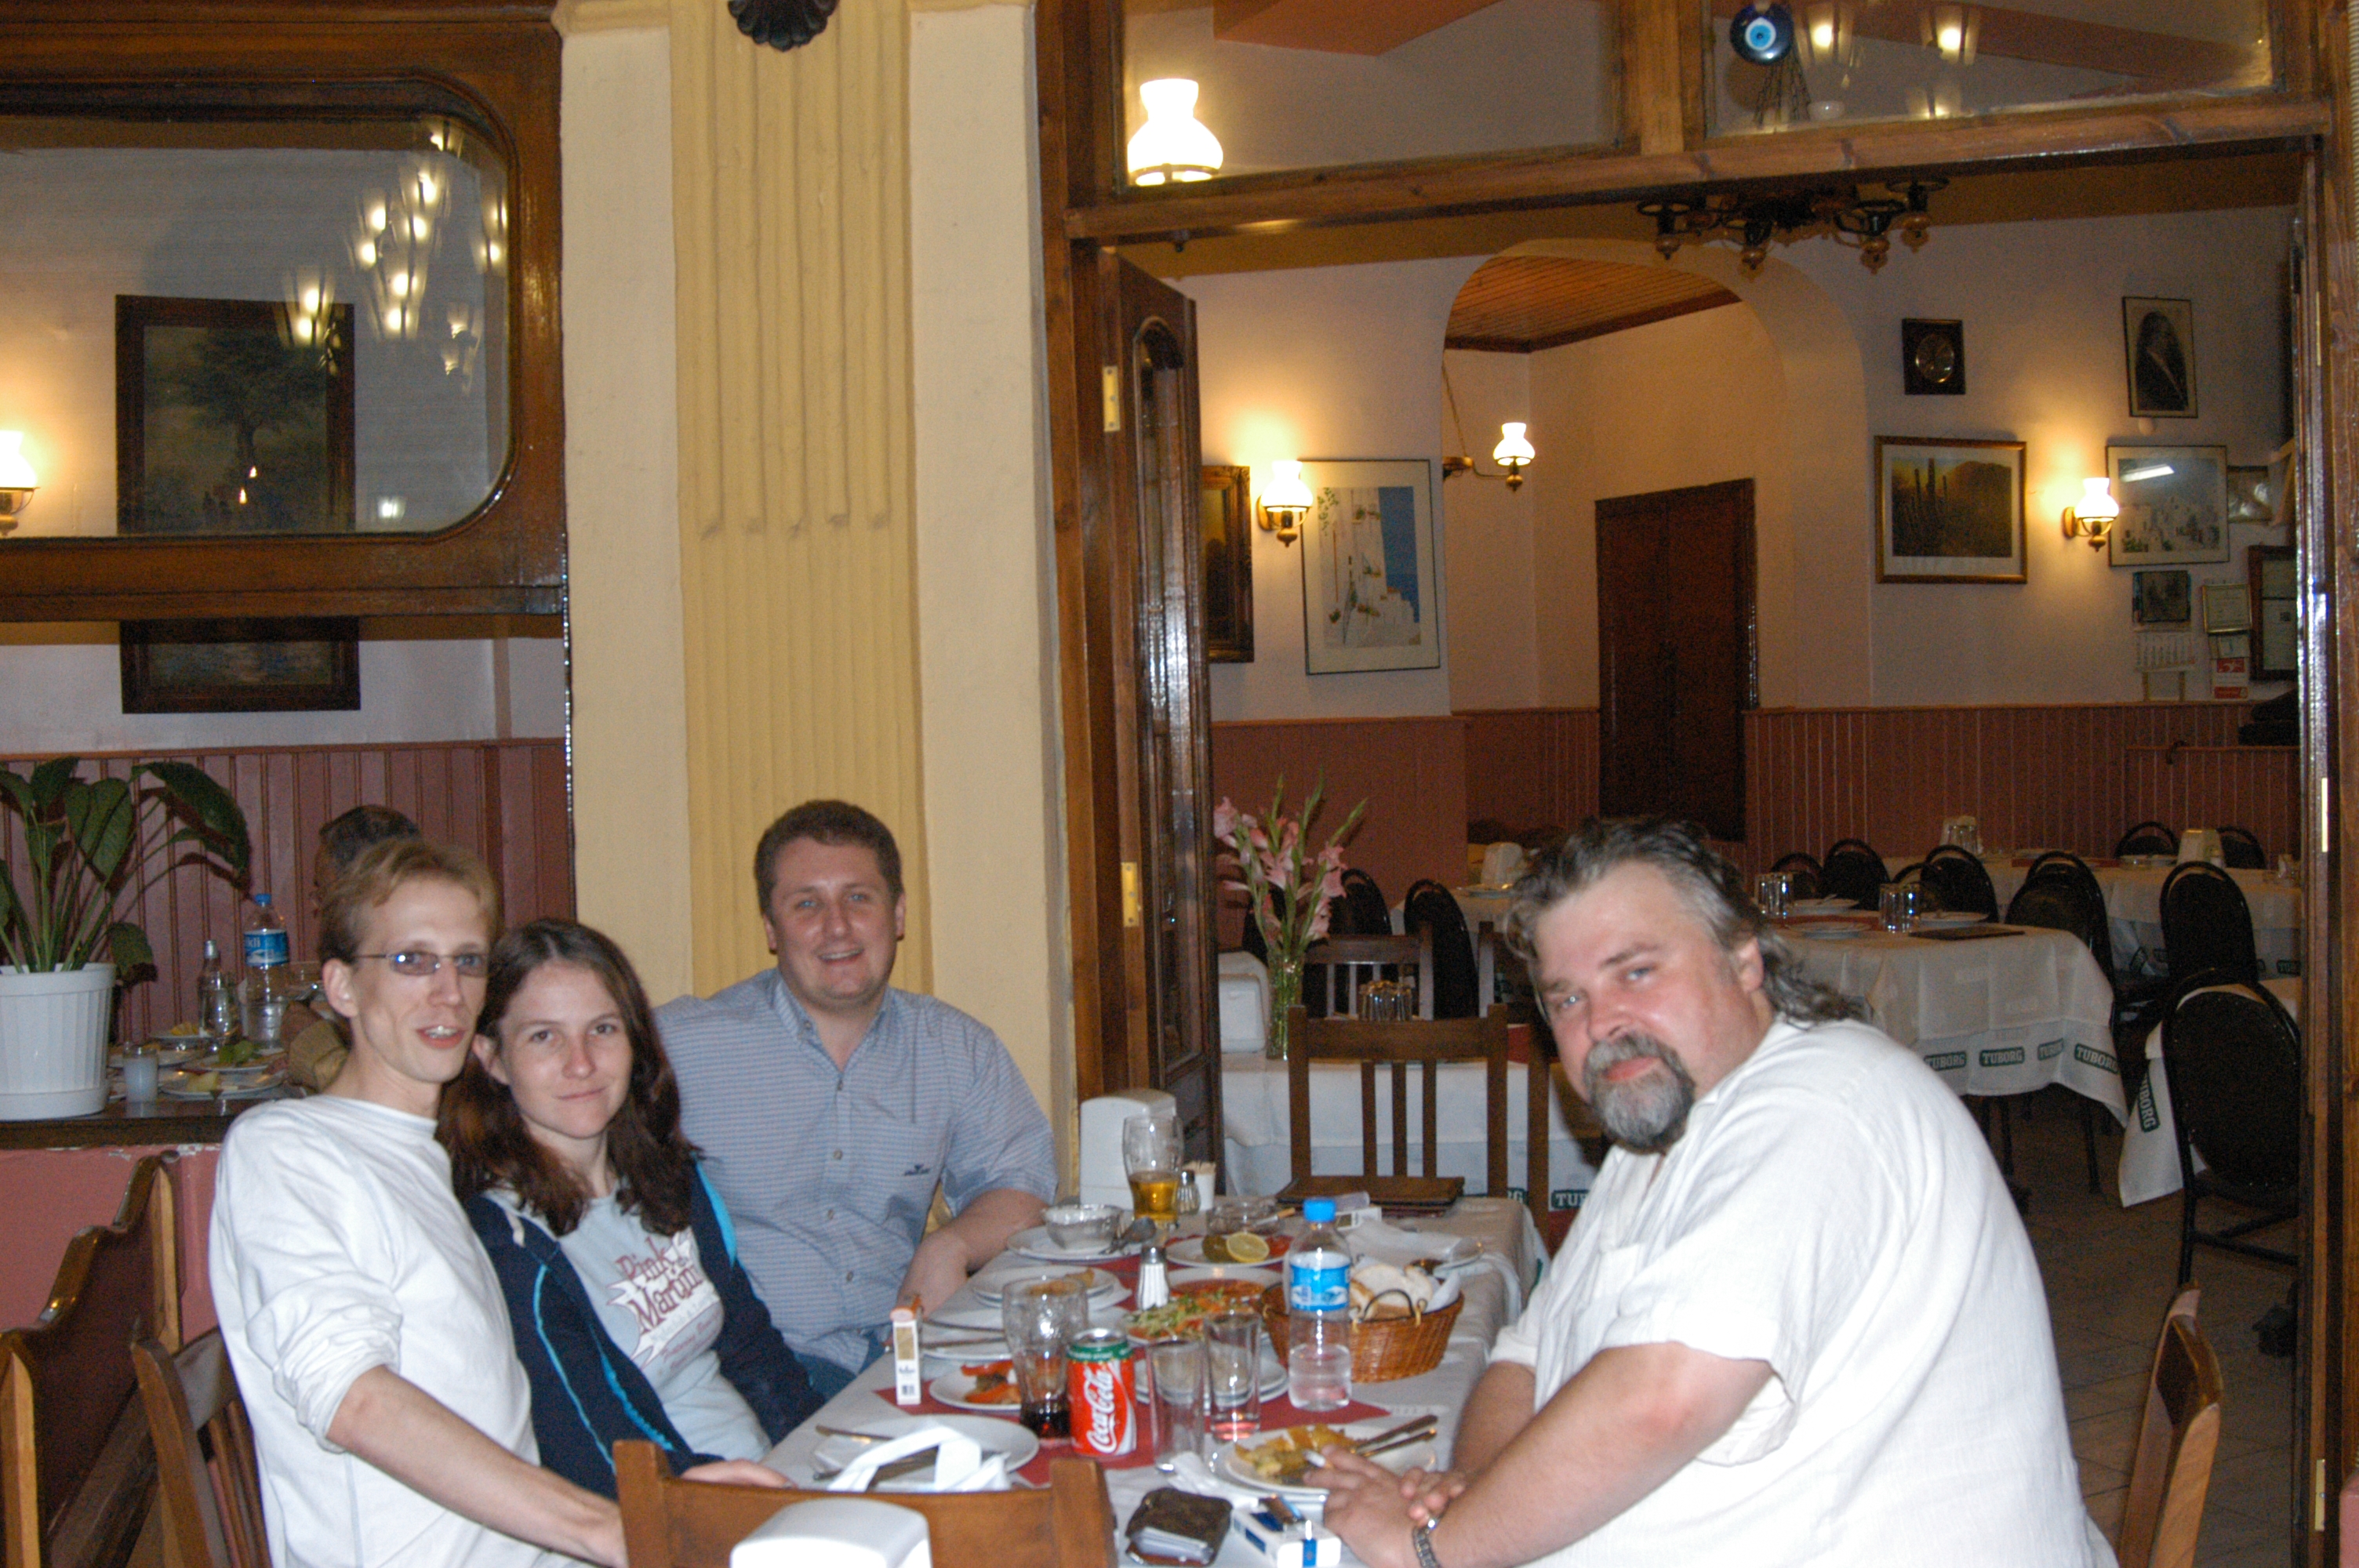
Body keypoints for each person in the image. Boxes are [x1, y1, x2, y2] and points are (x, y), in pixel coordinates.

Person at [1317, 818, 2106, 1568]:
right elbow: (1524, 1361)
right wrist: (1468, 1494)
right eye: (1566, 998)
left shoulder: (1821, 1104)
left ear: (1743, 958)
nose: (1602, 1023)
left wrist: (1432, 1550)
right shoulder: (1664, 1128)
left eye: (1635, 971)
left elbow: (1659, 1400)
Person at [210, 840, 627, 1566]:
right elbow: (354, 1401)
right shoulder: (286, 1148)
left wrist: (662, 1501)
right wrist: (605, 1529)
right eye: (411, 961)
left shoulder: (428, 1157)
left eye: (468, 961)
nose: (449, 992)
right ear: (342, 987)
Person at [657, 800, 1056, 1396]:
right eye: (807, 904)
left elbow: (1022, 1182)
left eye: (859, 898)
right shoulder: (682, 1047)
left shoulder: (956, 1049)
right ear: (771, 929)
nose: (837, 927)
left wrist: (950, 1246)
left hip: (898, 1357)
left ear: (897, 914)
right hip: (746, 1374)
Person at [442, 917, 823, 1496]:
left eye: (602, 1029)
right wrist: (730, 1501)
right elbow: (595, 1450)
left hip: (766, 1482)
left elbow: (752, 1350)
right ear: (491, 1057)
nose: (581, 1062)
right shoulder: (506, 1241)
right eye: (543, 1037)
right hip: (663, 1511)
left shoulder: (670, 1177)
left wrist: (827, 1462)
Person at [287, 804, 421, 1091]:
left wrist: (319, 1055)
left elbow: (405, 1098)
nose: (320, 908)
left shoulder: (424, 966)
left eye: (325, 893)